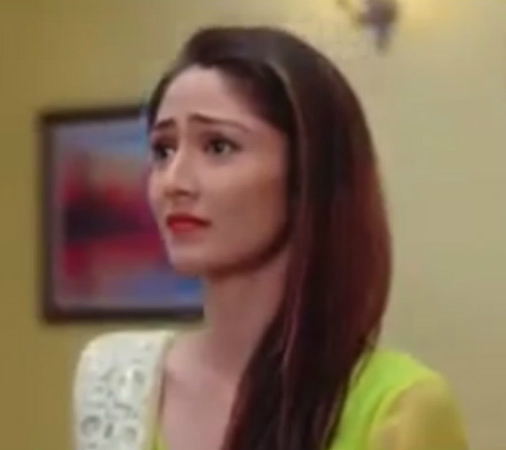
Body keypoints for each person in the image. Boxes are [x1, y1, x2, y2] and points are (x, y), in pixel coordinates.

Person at [73, 26, 468, 450]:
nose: (173, 181)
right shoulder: (117, 383)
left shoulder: (400, 407)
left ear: (307, 171)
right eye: (163, 150)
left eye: (218, 147)